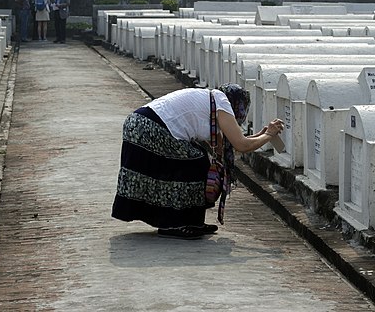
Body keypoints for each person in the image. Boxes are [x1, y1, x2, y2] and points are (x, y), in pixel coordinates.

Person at [111, 83, 284, 240]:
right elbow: (241, 145)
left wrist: (263, 134)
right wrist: (268, 135)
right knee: (195, 163)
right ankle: (174, 224)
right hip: (150, 127)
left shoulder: (213, 100)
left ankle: (191, 222)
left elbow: (230, 143)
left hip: (140, 124)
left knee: (197, 160)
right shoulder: (222, 104)